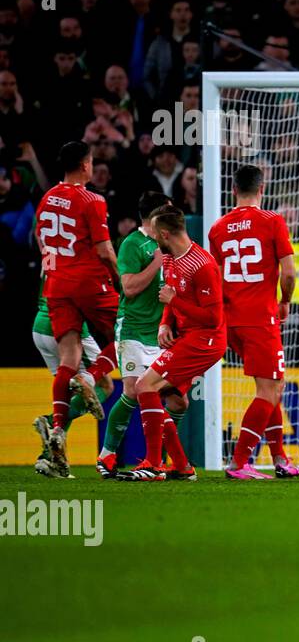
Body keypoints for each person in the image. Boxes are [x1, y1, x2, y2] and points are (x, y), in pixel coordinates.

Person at [115, 207, 225, 482]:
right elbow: (169, 296)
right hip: (186, 336)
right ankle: (182, 466)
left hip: (206, 340)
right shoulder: (168, 257)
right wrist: (165, 322)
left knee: (144, 386)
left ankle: (153, 463)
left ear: (164, 233)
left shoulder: (203, 265)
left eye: (154, 232)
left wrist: (173, 302)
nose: (151, 237)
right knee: (175, 400)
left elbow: (213, 318)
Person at [33, 140, 121, 477]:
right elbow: (103, 250)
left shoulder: (45, 199)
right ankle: (93, 376)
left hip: (55, 285)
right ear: (85, 165)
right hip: (87, 282)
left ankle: (56, 431)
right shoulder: (91, 199)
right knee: (127, 329)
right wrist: (118, 283)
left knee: (68, 358)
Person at [208, 165, 298, 479]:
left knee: (271, 385)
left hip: (231, 319)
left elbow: (214, 277)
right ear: (262, 188)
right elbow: (288, 272)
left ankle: (280, 457)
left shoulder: (217, 228)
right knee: (270, 388)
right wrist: (284, 301)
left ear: (234, 190)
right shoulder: (272, 221)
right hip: (260, 317)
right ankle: (239, 462)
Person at [96, 191, 189, 477]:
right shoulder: (131, 244)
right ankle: (107, 456)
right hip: (134, 328)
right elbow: (129, 288)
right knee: (135, 391)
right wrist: (156, 263)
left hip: (161, 333)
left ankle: (161, 458)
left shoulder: (169, 243)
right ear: (158, 213)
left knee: (178, 401)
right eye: (169, 211)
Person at [30, 289, 111, 477]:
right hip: (66, 328)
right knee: (104, 385)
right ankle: (50, 422)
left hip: (40, 324)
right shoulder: (82, 261)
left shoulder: (52, 259)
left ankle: (48, 459)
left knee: (69, 393)